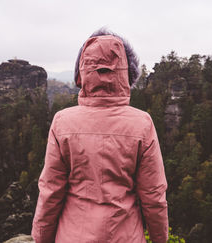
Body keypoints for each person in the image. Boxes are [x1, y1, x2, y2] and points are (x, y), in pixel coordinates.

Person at [31, 28, 168, 243]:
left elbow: (51, 193)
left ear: (83, 71)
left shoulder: (62, 121)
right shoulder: (142, 124)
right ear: (126, 73)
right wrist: (160, 239)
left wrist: (40, 239)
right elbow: (153, 196)